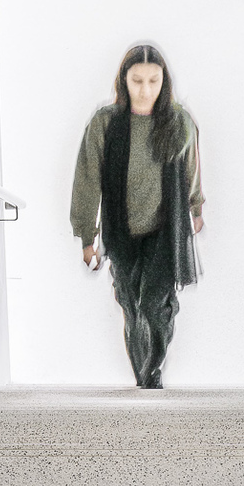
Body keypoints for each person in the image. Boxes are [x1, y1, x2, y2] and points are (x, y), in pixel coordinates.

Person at [71, 43, 204, 388]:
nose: (145, 90)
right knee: (132, 308)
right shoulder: (105, 124)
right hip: (122, 232)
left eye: (153, 81)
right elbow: (87, 181)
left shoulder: (178, 122)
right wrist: (88, 237)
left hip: (165, 229)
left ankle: (153, 373)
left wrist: (196, 207)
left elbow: (191, 171)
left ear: (164, 82)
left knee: (154, 308)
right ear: (124, 81)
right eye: (137, 80)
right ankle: (142, 378)